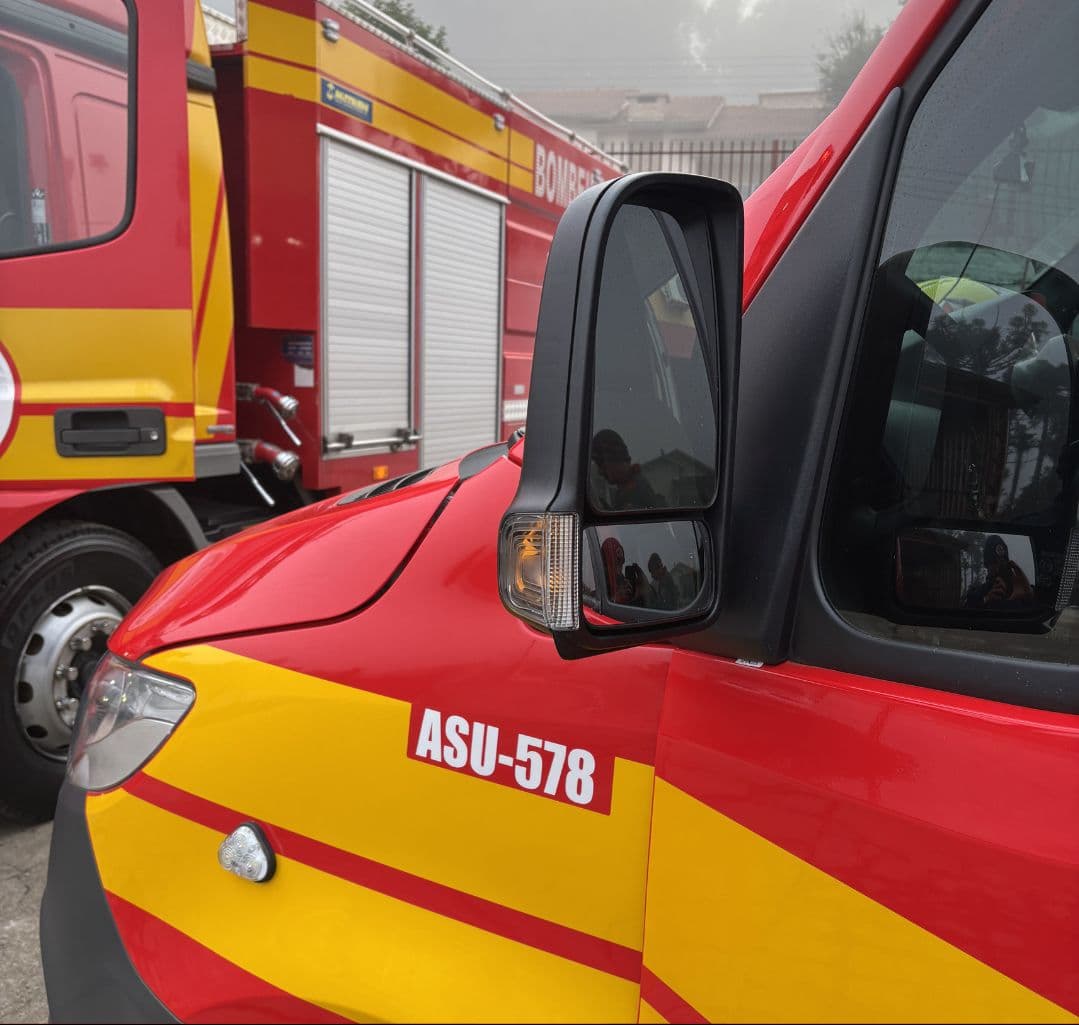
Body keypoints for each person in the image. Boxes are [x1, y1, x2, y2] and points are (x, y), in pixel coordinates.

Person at [590, 429, 662, 511]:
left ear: (615, 460)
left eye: (601, 465)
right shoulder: (626, 489)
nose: (600, 472)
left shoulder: (636, 491)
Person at [963, 535, 1033, 609]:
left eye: (1003, 563)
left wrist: (1029, 594)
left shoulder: (1021, 590)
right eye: (994, 562)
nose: (998, 569)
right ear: (987, 566)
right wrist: (985, 599)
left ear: (1009, 565)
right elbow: (966, 613)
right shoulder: (977, 595)